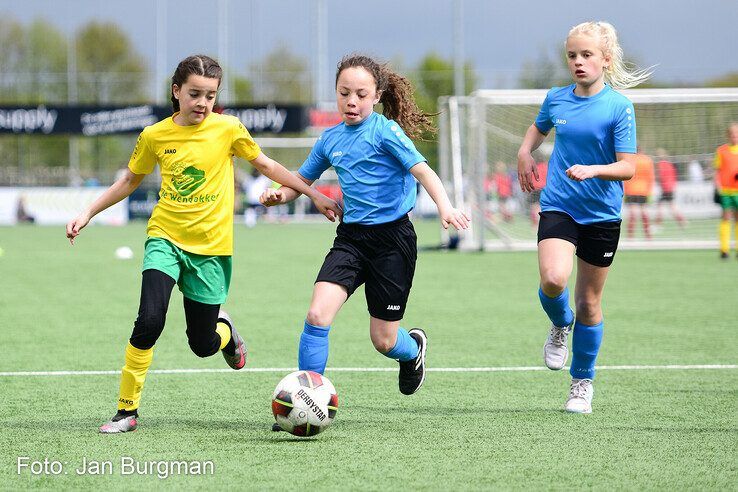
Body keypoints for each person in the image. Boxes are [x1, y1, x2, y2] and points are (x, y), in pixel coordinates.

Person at [65, 55, 342, 434]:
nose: (202, 102)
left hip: (211, 250)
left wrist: (314, 195)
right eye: (194, 93)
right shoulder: (154, 136)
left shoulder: (228, 129)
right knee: (149, 320)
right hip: (164, 238)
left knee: (203, 344)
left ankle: (225, 333)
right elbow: (129, 181)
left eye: (210, 95)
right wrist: (88, 212)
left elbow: (268, 167)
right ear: (176, 91)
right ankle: (126, 411)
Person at [260, 55, 470, 423]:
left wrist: (445, 207)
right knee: (316, 313)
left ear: (376, 97)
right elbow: (302, 181)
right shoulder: (330, 139)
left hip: (393, 240)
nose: (351, 101)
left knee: (383, 341)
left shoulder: (386, 131)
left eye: (360, 94)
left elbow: (424, 171)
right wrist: (281, 193)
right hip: (351, 239)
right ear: (336, 95)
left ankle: (412, 349)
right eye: (344, 93)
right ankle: (304, 401)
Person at [517, 21, 650, 413]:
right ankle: (560, 324)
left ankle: (582, 383)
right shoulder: (556, 99)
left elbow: (628, 168)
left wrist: (594, 169)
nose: (578, 61)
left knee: (590, 302)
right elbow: (537, 129)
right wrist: (526, 152)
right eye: (572, 55)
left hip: (602, 214)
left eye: (587, 55)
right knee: (553, 280)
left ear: (605, 60)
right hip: (560, 204)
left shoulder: (618, 107)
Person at [714, 122, 738, 259]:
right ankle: (724, 249)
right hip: (726, 191)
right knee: (726, 217)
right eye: (732, 134)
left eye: (736, 134)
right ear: (728, 135)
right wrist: (717, 185)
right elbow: (717, 171)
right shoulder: (721, 151)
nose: (735, 136)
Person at [623, 147, 655, 239]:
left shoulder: (631, 160)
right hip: (643, 190)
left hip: (631, 190)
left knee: (632, 214)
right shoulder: (647, 160)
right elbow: (651, 177)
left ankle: (630, 236)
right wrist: (649, 191)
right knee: (644, 212)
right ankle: (648, 235)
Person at [654, 148, 686, 228]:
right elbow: (674, 175)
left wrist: (657, 180)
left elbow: (660, 176)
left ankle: (658, 224)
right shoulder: (670, 164)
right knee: (671, 206)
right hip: (670, 187)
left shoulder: (661, 164)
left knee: (661, 206)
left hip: (665, 188)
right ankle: (681, 221)